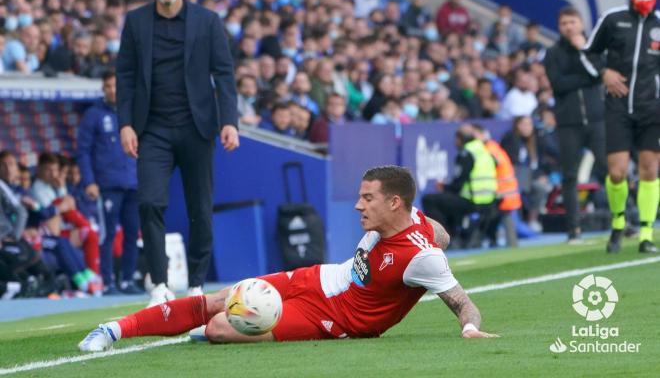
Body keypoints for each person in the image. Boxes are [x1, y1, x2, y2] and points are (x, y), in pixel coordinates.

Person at [78, 165, 497, 351]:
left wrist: (470, 328)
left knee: (220, 327)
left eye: (367, 198)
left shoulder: (420, 259)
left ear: (394, 202)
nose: (357, 206)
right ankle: (113, 329)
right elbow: (436, 232)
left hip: (336, 321)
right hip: (317, 278)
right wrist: (435, 236)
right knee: (220, 299)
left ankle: (203, 332)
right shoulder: (415, 219)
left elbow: (462, 301)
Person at [116, 0, 239, 307]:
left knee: (200, 207)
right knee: (150, 203)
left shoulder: (208, 21)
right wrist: (125, 123)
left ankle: (197, 285)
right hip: (151, 129)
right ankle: (159, 285)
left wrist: (229, 120)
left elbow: (225, 75)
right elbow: (124, 75)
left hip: (197, 128)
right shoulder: (136, 22)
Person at [583, 0, 660, 253]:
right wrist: (604, 72)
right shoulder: (613, 19)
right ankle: (618, 225)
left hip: (651, 109)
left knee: (650, 170)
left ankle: (646, 234)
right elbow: (589, 52)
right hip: (617, 108)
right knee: (617, 172)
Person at [543, 6, 607, 242]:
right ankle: (573, 230)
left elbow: (601, 72)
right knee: (569, 176)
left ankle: (625, 220)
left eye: (572, 22)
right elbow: (558, 84)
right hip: (568, 123)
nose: (568, 27)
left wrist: (584, 51)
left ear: (581, 23)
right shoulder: (552, 53)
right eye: (564, 23)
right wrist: (587, 78)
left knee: (609, 171)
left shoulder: (594, 47)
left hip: (597, 120)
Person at [77, 70, 141, 295]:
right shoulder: (93, 115)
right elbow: (83, 151)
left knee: (133, 232)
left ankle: (127, 280)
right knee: (107, 234)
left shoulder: (134, 112)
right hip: (107, 184)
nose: (113, 90)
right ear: (103, 89)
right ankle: (107, 282)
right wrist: (89, 181)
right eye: (108, 86)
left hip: (133, 182)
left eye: (116, 86)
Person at [422, 125, 497, 247]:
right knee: (448, 200)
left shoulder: (466, 154)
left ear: (459, 139)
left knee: (429, 199)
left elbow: (458, 185)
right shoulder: (484, 151)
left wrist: (443, 186)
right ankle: (455, 235)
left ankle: (444, 238)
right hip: (488, 201)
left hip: (472, 201)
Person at [471, 124, 522, 247]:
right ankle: (504, 243)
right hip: (506, 189)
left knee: (498, 216)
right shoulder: (493, 147)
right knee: (497, 216)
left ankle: (510, 245)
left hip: (501, 190)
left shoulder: (488, 149)